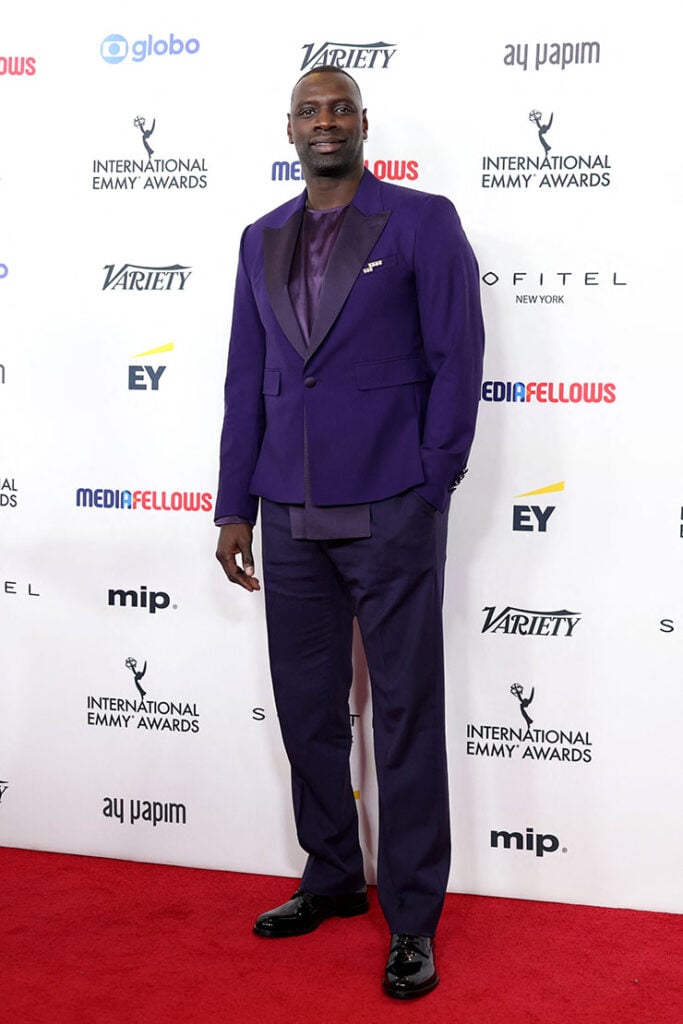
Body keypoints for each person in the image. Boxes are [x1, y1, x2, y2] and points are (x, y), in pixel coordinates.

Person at [215, 65, 484, 999]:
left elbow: (457, 358)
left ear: (362, 125)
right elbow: (246, 379)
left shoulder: (422, 221)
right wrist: (232, 505)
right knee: (307, 714)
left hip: (390, 509)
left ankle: (411, 917)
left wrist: (431, 480)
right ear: (288, 128)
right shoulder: (259, 239)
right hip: (285, 513)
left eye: (338, 108)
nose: (323, 121)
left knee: (405, 716)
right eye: (308, 109)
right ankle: (331, 876)